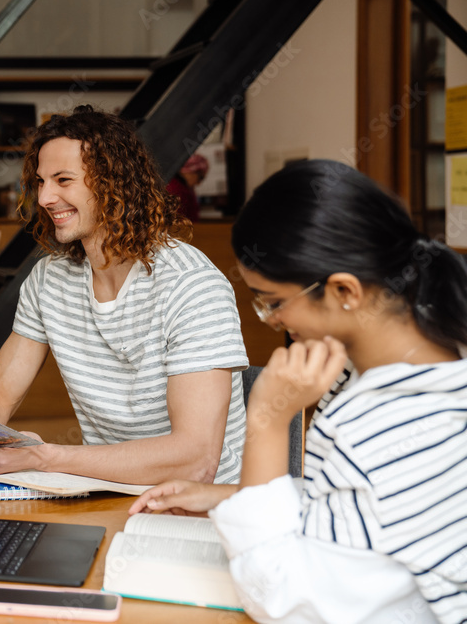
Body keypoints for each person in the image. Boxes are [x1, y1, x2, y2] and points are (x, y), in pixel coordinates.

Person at [129, 159, 467, 622]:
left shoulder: (384, 418)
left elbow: (284, 601)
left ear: (344, 291)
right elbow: (362, 512)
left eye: (273, 302)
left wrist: (268, 419)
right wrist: (228, 497)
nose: (272, 321)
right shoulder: (426, 364)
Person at [0, 105, 249, 486]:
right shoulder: (49, 279)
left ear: (113, 182)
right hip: (107, 492)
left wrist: (46, 458)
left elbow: (196, 460)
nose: (45, 197)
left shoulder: (191, 286)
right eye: (41, 181)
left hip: (196, 510)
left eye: (63, 180)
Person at [165, 153, 209, 222]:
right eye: (200, 178)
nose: (199, 183)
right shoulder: (176, 189)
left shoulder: (183, 187)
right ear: (190, 171)